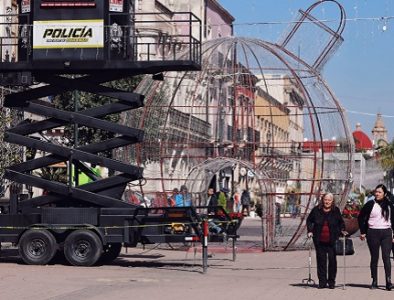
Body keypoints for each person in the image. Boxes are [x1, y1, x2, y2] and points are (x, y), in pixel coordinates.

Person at [358, 184, 394, 290]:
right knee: (374, 258)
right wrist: (363, 231)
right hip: (373, 233)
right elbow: (360, 217)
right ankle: (374, 281)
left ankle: (388, 281)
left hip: (386, 233)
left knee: (386, 257)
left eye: (379, 192)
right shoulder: (370, 204)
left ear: (385, 194)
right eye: (376, 192)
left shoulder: (390, 205)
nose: (377, 194)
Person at [306, 192, 346, 289]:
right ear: (322, 200)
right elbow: (309, 220)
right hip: (319, 240)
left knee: (332, 261)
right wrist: (310, 230)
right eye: (325, 200)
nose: (327, 202)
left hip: (332, 240)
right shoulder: (316, 210)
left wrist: (343, 230)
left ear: (332, 201)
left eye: (329, 200)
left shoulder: (335, 210)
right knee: (321, 261)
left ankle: (331, 282)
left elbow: (341, 222)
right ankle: (322, 282)